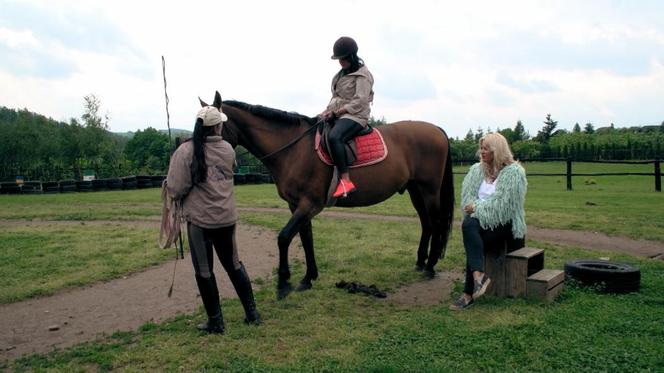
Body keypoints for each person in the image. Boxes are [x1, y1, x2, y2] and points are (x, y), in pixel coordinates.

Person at [166, 106, 261, 333]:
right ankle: (252, 314)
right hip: (226, 220)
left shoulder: (185, 151)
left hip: (200, 222)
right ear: (218, 126)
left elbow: (176, 189)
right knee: (234, 265)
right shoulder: (228, 149)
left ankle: (216, 322)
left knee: (204, 270)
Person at [450, 133, 527, 310]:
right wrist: (477, 208)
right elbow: (466, 198)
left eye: (486, 149)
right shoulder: (477, 170)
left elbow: (501, 206)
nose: (481, 152)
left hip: (504, 225)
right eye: (481, 148)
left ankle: (468, 294)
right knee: (470, 228)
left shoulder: (515, 173)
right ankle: (479, 277)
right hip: (478, 225)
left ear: (497, 150)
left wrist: (476, 208)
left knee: (470, 231)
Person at [318, 36, 374, 198]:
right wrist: (326, 111)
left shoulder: (363, 76)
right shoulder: (340, 75)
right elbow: (336, 98)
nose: (339, 62)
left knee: (335, 136)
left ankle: (345, 180)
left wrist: (337, 112)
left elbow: (360, 102)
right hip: (340, 114)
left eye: (341, 59)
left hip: (356, 116)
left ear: (350, 56)